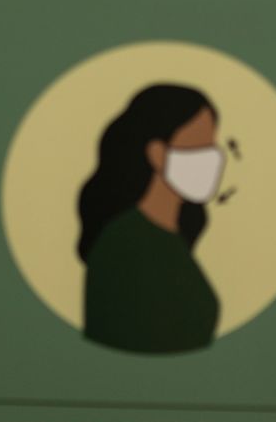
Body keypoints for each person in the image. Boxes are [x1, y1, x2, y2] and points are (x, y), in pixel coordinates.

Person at [79, 85, 224, 354]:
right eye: (200, 146)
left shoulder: (172, 235)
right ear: (157, 154)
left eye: (213, 146)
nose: (213, 158)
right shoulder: (123, 245)